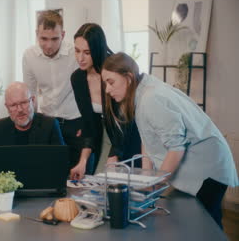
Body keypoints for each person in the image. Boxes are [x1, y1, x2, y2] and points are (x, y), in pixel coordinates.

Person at [101, 52, 239, 228]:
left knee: (207, 228)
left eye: (110, 82)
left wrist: (155, 184)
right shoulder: (142, 92)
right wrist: (146, 178)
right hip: (206, 163)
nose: (107, 90)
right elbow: (148, 139)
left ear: (128, 77)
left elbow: (176, 148)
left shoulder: (151, 98)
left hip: (208, 168)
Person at [22, 10, 88, 179]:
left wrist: (88, 124)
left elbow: (89, 90)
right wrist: (31, 127)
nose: (49, 45)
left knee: (78, 180)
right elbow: (31, 94)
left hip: (76, 123)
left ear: (63, 35)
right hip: (48, 122)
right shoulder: (29, 56)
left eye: (54, 39)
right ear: (37, 34)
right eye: (44, 39)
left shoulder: (76, 54)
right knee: (49, 177)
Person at [70, 23, 141, 176]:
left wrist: (114, 154)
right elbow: (89, 124)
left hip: (129, 133)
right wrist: (82, 162)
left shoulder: (114, 72)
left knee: (127, 182)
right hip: (104, 134)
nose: (80, 58)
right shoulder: (77, 79)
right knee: (100, 179)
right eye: (77, 51)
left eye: (87, 52)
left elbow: (126, 120)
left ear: (97, 50)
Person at [0, 82, 64, 177]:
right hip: (9, 188)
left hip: (42, 186)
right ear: (7, 107)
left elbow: (61, 163)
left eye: (23, 103)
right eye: (13, 105)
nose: (19, 110)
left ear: (33, 101)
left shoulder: (50, 125)